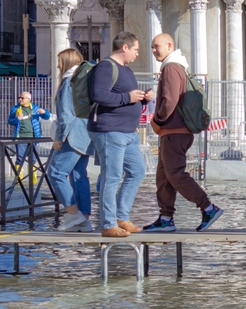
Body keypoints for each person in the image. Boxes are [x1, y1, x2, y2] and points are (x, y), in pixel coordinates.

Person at [142, 33, 224, 233]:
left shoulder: (171, 68)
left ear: (169, 45)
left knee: (175, 174)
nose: (153, 51)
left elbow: (169, 101)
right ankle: (165, 218)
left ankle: (208, 208)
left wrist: (157, 120)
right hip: (174, 131)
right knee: (163, 177)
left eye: (156, 47)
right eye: (152, 47)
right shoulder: (177, 67)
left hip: (173, 131)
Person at [88, 31, 151, 238]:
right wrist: (127, 97)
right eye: (135, 50)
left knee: (137, 171)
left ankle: (121, 217)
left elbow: (124, 98)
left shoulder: (126, 70)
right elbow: (98, 94)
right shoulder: (106, 67)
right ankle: (108, 224)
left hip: (128, 132)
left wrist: (141, 98)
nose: (137, 54)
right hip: (110, 131)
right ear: (124, 47)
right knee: (112, 176)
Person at [48, 48, 94, 232]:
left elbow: (66, 115)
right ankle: (85, 220)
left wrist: (59, 138)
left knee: (56, 172)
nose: (58, 65)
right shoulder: (83, 80)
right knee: (79, 175)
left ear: (66, 62)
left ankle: (73, 213)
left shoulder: (68, 82)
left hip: (72, 134)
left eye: (59, 61)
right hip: (86, 134)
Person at [8, 90, 50, 168]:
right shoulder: (15, 109)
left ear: (28, 99)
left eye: (22, 98)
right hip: (21, 138)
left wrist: (45, 112)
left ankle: (33, 179)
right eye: (19, 98)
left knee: (33, 159)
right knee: (20, 159)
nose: (20, 99)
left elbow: (47, 117)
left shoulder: (35, 108)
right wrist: (17, 119)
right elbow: (10, 121)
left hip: (33, 137)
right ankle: (18, 179)